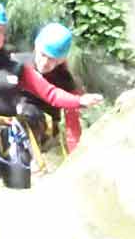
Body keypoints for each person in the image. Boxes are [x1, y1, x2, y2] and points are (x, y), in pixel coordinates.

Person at [0, 0, 102, 190]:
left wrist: (80, 101)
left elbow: (50, 94)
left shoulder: (16, 67)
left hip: (16, 133)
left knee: (21, 187)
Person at [15, 22, 86, 159]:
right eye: (43, 55)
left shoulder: (65, 80)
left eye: (52, 59)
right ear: (36, 46)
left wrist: (76, 156)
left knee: (29, 113)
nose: (45, 63)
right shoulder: (16, 64)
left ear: (61, 60)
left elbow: (72, 125)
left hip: (43, 132)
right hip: (11, 124)